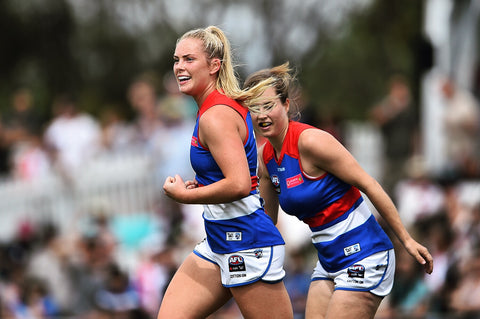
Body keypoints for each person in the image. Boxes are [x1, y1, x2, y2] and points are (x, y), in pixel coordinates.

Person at [243, 63, 433, 319]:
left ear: (286, 105)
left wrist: (406, 240)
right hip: (328, 262)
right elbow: (266, 223)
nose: (262, 115)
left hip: (365, 254)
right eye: (254, 108)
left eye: (268, 106)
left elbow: (369, 184)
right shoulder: (266, 158)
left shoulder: (311, 142)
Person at [158, 26, 293, 319]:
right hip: (219, 238)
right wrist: (205, 184)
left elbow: (240, 184)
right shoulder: (214, 108)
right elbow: (234, 176)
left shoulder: (215, 115)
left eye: (189, 59)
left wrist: (183, 196)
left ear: (214, 66)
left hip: (246, 241)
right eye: (176, 59)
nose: (179, 66)